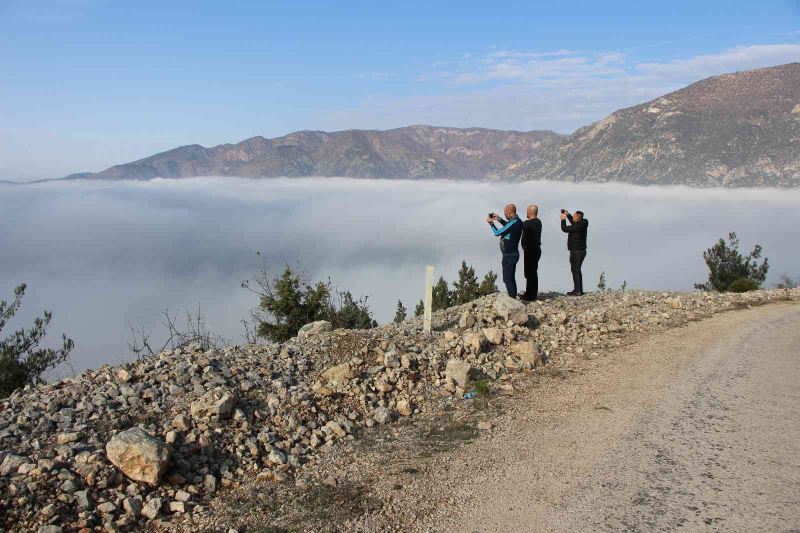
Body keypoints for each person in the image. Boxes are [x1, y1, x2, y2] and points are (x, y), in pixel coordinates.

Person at [486, 204, 523, 298]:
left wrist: (491, 224)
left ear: (509, 212)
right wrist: (499, 219)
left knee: (507, 279)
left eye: (505, 213)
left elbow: (497, 233)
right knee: (511, 278)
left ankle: (512, 299)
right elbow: (509, 226)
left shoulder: (513, 223)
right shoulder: (518, 221)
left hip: (508, 256)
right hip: (514, 253)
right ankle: (513, 296)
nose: (505, 215)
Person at [560, 209, 588, 296]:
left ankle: (578, 290)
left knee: (576, 270)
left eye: (574, 216)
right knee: (575, 270)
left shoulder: (579, 225)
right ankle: (577, 289)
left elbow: (564, 229)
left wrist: (563, 220)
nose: (573, 217)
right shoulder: (581, 223)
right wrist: (567, 214)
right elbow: (574, 221)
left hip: (578, 251)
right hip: (576, 250)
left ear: (578, 217)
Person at [520, 204, 542, 301]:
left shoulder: (529, 223)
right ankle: (530, 292)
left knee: (530, 272)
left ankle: (531, 294)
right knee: (531, 272)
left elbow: (517, 226)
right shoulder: (538, 222)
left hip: (531, 250)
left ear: (529, 212)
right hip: (534, 250)